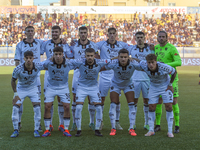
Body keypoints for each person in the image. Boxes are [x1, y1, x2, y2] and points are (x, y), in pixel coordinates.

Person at [102, 49, 142, 136]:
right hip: (115, 84)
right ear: (118, 57)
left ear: (128, 57)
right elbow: (101, 68)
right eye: (121, 57)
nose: (123, 59)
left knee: (132, 105)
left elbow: (145, 68)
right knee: (113, 104)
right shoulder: (113, 63)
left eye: (125, 57)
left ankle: (131, 128)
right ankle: (113, 128)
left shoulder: (133, 64)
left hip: (128, 84)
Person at [134, 54, 177, 138]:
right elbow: (139, 61)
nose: (150, 65)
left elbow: (174, 72)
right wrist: (130, 58)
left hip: (165, 86)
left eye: (153, 62)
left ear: (156, 62)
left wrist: (170, 84)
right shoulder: (144, 64)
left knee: (168, 106)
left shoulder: (164, 67)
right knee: (151, 107)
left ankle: (170, 131)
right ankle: (151, 130)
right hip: (153, 87)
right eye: (149, 62)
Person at [70, 48, 109, 137]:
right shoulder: (80, 62)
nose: (90, 58)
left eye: (91, 56)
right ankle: (79, 130)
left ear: (94, 56)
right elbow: (69, 62)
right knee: (78, 107)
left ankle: (97, 129)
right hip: (81, 87)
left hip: (94, 87)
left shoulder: (99, 62)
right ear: (85, 56)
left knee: (99, 108)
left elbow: (111, 61)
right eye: (88, 56)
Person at [96, 27, 130, 130]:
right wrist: (99, 58)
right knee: (101, 98)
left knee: (116, 100)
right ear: (107, 34)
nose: (111, 35)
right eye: (110, 33)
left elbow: (133, 48)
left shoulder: (122, 45)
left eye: (113, 33)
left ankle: (116, 122)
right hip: (104, 75)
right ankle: (100, 121)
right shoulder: (101, 44)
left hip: (116, 76)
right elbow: (90, 48)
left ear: (116, 34)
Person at [41, 26, 73, 132]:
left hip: (61, 73)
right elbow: (39, 52)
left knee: (61, 100)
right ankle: (49, 125)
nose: (54, 33)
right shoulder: (46, 43)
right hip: (49, 74)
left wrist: (66, 47)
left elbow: (69, 56)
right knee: (49, 101)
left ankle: (61, 124)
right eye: (53, 31)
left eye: (56, 32)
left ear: (60, 32)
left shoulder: (64, 43)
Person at [14, 26, 44, 132]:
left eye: (32, 31)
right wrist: (19, 74)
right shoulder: (20, 45)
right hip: (23, 77)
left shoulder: (39, 43)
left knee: (37, 101)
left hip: (36, 76)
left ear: (34, 32)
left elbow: (52, 43)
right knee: (19, 101)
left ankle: (38, 124)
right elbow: (17, 61)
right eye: (28, 31)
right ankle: (18, 122)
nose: (30, 33)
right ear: (25, 32)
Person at [70, 26, 99, 132]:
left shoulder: (93, 45)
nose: (83, 34)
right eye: (81, 32)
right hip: (77, 73)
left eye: (84, 32)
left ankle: (91, 122)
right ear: (78, 33)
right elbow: (69, 57)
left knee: (91, 97)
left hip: (90, 72)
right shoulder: (74, 45)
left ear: (87, 33)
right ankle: (74, 122)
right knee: (75, 98)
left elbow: (98, 58)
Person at [10, 51, 44, 138]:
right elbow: (13, 80)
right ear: (24, 59)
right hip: (21, 89)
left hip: (33, 89)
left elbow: (48, 65)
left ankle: (36, 130)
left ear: (33, 58)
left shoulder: (38, 66)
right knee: (15, 108)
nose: (28, 60)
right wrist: (15, 94)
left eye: (30, 58)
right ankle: (15, 130)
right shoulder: (18, 69)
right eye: (27, 58)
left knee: (37, 108)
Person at [153, 31, 181, 133]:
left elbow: (179, 62)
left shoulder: (172, 48)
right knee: (159, 102)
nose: (161, 38)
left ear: (166, 38)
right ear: (157, 38)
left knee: (173, 102)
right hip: (159, 79)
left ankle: (177, 125)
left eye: (163, 37)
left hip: (171, 79)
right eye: (159, 37)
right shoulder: (155, 48)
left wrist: (165, 64)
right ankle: (158, 124)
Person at [128, 31, 154, 130]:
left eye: (141, 37)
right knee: (134, 102)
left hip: (147, 79)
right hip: (134, 79)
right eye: (138, 37)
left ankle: (147, 123)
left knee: (146, 101)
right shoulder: (131, 49)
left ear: (144, 38)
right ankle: (133, 124)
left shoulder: (150, 49)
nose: (139, 39)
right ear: (135, 38)